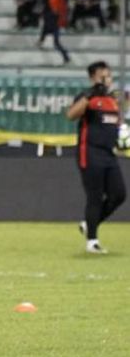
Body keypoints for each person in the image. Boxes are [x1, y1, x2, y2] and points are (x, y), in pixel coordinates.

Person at [65, 61, 126, 254]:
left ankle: (89, 223)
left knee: (119, 194)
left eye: (109, 76)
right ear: (93, 78)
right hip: (90, 152)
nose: (107, 79)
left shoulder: (112, 99)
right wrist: (91, 95)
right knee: (95, 196)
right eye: (103, 76)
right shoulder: (87, 96)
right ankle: (92, 241)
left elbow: (116, 123)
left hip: (109, 154)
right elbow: (71, 115)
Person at [38, 0, 69, 65]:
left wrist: (45, 14)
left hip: (56, 23)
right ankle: (66, 58)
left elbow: (55, 12)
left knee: (56, 42)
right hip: (57, 22)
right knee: (56, 42)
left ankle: (67, 58)